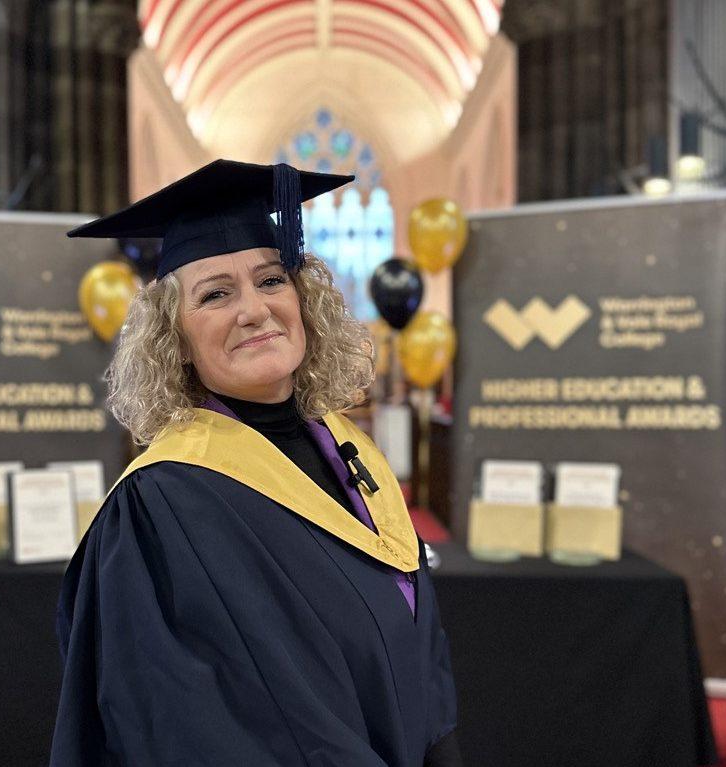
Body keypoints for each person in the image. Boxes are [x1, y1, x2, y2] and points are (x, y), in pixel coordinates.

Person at [50, 159, 461, 766]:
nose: (254, 309)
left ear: (304, 300)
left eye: (271, 280)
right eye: (215, 294)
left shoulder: (350, 449)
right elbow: (187, 723)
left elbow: (415, 636)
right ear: (175, 338)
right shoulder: (162, 503)